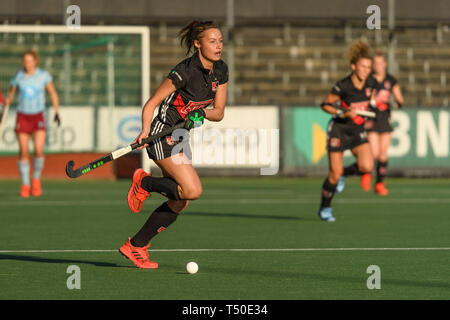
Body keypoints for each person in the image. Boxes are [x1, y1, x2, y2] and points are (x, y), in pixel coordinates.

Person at [119, 21, 228, 268]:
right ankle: (144, 182)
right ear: (198, 44)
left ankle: (135, 246)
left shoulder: (220, 71)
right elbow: (152, 103)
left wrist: (203, 114)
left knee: (180, 200)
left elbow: (219, 112)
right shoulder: (184, 71)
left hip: (181, 137)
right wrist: (145, 129)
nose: (218, 46)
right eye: (212, 41)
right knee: (193, 190)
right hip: (161, 134)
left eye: (220, 40)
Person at [317, 40, 375, 222]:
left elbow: (370, 101)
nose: (366, 70)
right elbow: (325, 105)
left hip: (356, 130)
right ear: (353, 66)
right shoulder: (343, 85)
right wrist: (343, 112)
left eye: (368, 67)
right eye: (363, 66)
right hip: (339, 130)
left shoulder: (371, 84)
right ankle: (325, 207)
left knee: (367, 166)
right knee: (334, 174)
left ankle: (344, 174)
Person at [4, 49, 60, 198]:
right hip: (23, 116)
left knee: (38, 150)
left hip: (38, 116)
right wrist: (8, 98)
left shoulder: (43, 76)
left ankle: (35, 179)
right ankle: (25, 184)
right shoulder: (19, 75)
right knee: (23, 151)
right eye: (25, 61)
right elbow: (11, 90)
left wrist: (56, 112)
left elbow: (52, 92)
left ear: (35, 61)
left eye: (30, 61)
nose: (27, 64)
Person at [364, 50, 404, 195]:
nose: (378, 66)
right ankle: (366, 173)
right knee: (374, 153)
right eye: (376, 63)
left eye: (381, 63)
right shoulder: (368, 79)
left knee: (383, 155)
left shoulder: (391, 80)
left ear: (385, 64)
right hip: (371, 117)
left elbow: (400, 99)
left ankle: (379, 183)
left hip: (385, 118)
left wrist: (396, 103)